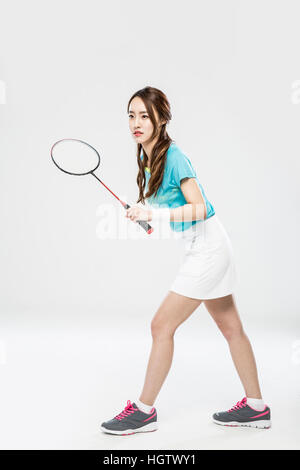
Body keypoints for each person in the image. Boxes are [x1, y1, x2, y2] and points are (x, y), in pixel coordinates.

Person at [100, 86, 271, 435]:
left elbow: (200, 207)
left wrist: (155, 214)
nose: (136, 122)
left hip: (208, 248)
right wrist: (147, 215)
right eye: (131, 115)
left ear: (161, 119)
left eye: (144, 115)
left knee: (161, 326)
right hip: (203, 245)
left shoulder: (174, 155)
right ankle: (257, 407)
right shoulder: (147, 156)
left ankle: (144, 411)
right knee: (231, 327)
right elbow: (172, 208)